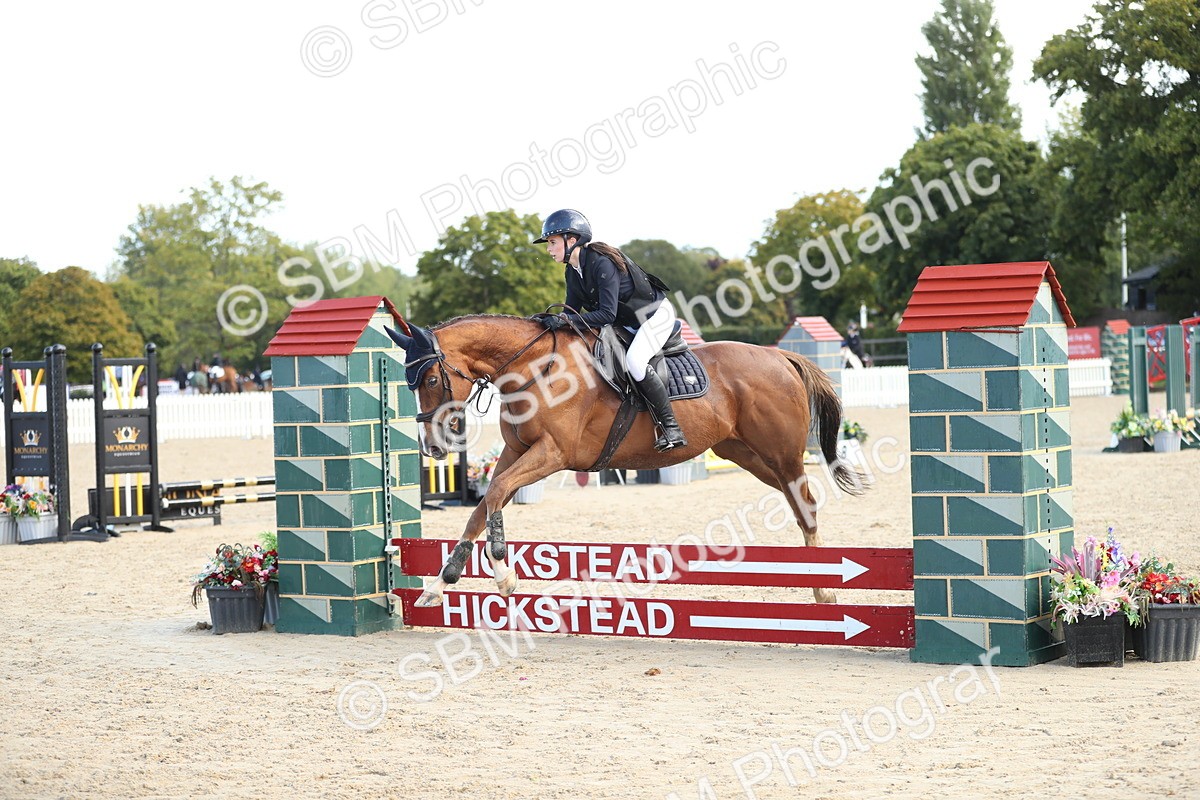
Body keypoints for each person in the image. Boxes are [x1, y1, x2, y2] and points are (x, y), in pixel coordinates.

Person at [534, 208, 687, 452]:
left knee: (635, 362)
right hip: (626, 321)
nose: (548, 249)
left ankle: (671, 428)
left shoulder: (600, 263)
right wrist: (549, 321)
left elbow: (607, 314)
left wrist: (564, 321)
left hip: (654, 317)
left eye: (552, 242)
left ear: (571, 240)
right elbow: (572, 313)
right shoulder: (572, 272)